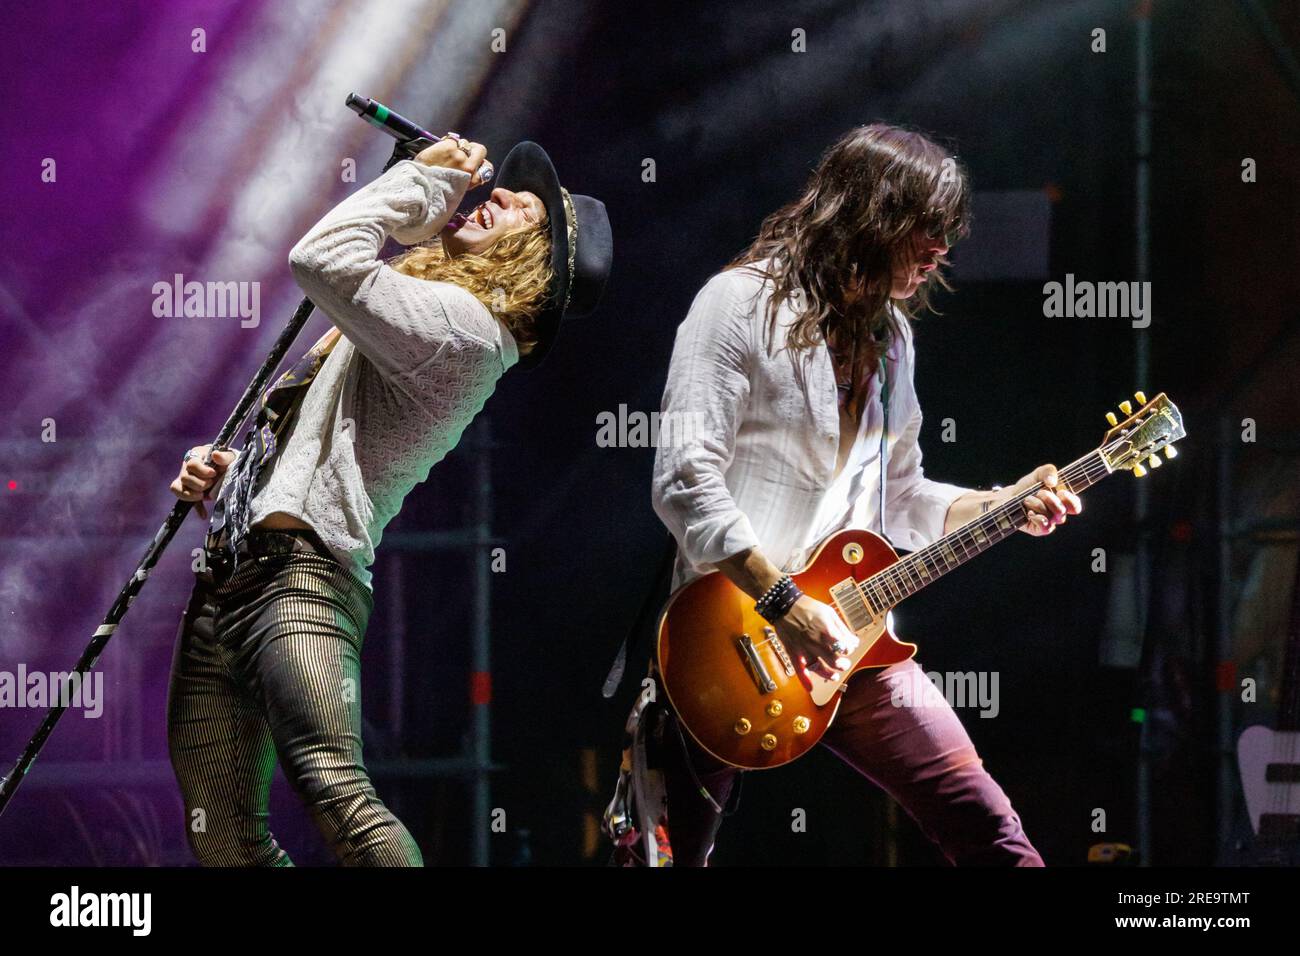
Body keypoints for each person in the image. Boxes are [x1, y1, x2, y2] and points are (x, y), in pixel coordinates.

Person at [629, 123, 1079, 867]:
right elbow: (684, 480)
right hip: (725, 638)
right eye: (923, 229)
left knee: (990, 829)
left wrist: (1005, 503)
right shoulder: (736, 306)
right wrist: (784, 604)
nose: (940, 251)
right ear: (865, 216)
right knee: (668, 858)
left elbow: (901, 497)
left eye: (947, 233)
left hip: (855, 639)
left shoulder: (892, 338)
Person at [165, 135, 612, 866]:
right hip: (233, 575)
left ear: (537, 267)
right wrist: (230, 480)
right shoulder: (426, 312)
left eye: (524, 210)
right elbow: (316, 445)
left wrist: (420, 182)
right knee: (222, 832)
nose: (495, 193)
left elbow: (321, 258)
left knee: (340, 796)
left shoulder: (467, 334)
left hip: (301, 582)